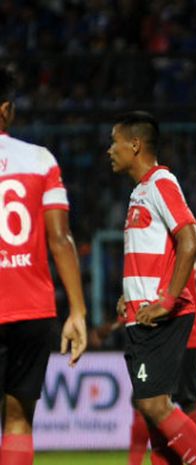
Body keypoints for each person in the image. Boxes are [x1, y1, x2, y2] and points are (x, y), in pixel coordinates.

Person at [108, 111, 196, 465]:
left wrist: (166, 301)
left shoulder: (160, 183)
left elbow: (191, 239)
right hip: (140, 315)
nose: (110, 149)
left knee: (154, 404)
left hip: (159, 318)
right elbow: (158, 253)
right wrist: (131, 292)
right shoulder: (140, 191)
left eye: (115, 141)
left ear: (135, 145)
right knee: (154, 416)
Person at [0, 66, 88, 465]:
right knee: (18, 421)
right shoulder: (39, 159)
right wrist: (78, 310)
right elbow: (60, 238)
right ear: (7, 110)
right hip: (32, 308)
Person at [92, 267, 196, 465]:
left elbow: (158, 291)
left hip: (174, 333)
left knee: (152, 403)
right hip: (187, 333)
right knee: (172, 403)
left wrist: (116, 322)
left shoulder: (175, 247)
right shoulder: (178, 250)